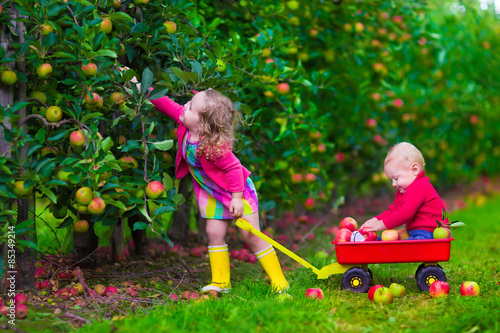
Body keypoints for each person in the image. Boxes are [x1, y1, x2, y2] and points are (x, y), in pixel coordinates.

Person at [150, 89, 289, 293]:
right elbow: (166, 104)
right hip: (212, 193)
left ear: (203, 123)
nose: (185, 105)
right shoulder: (188, 125)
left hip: (237, 192)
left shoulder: (215, 147)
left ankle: (279, 282)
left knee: (251, 235)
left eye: (190, 106)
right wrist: (143, 90)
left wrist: (237, 199)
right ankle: (221, 282)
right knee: (213, 233)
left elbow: (234, 169)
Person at [360, 142, 447, 240]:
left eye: (396, 178)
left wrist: (380, 225)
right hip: (414, 233)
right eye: (391, 180)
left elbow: (405, 214)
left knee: (406, 247)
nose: (393, 184)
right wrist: (375, 220)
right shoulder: (403, 192)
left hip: (429, 233)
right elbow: (393, 211)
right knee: (384, 241)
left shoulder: (420, 186)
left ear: (414, 170)